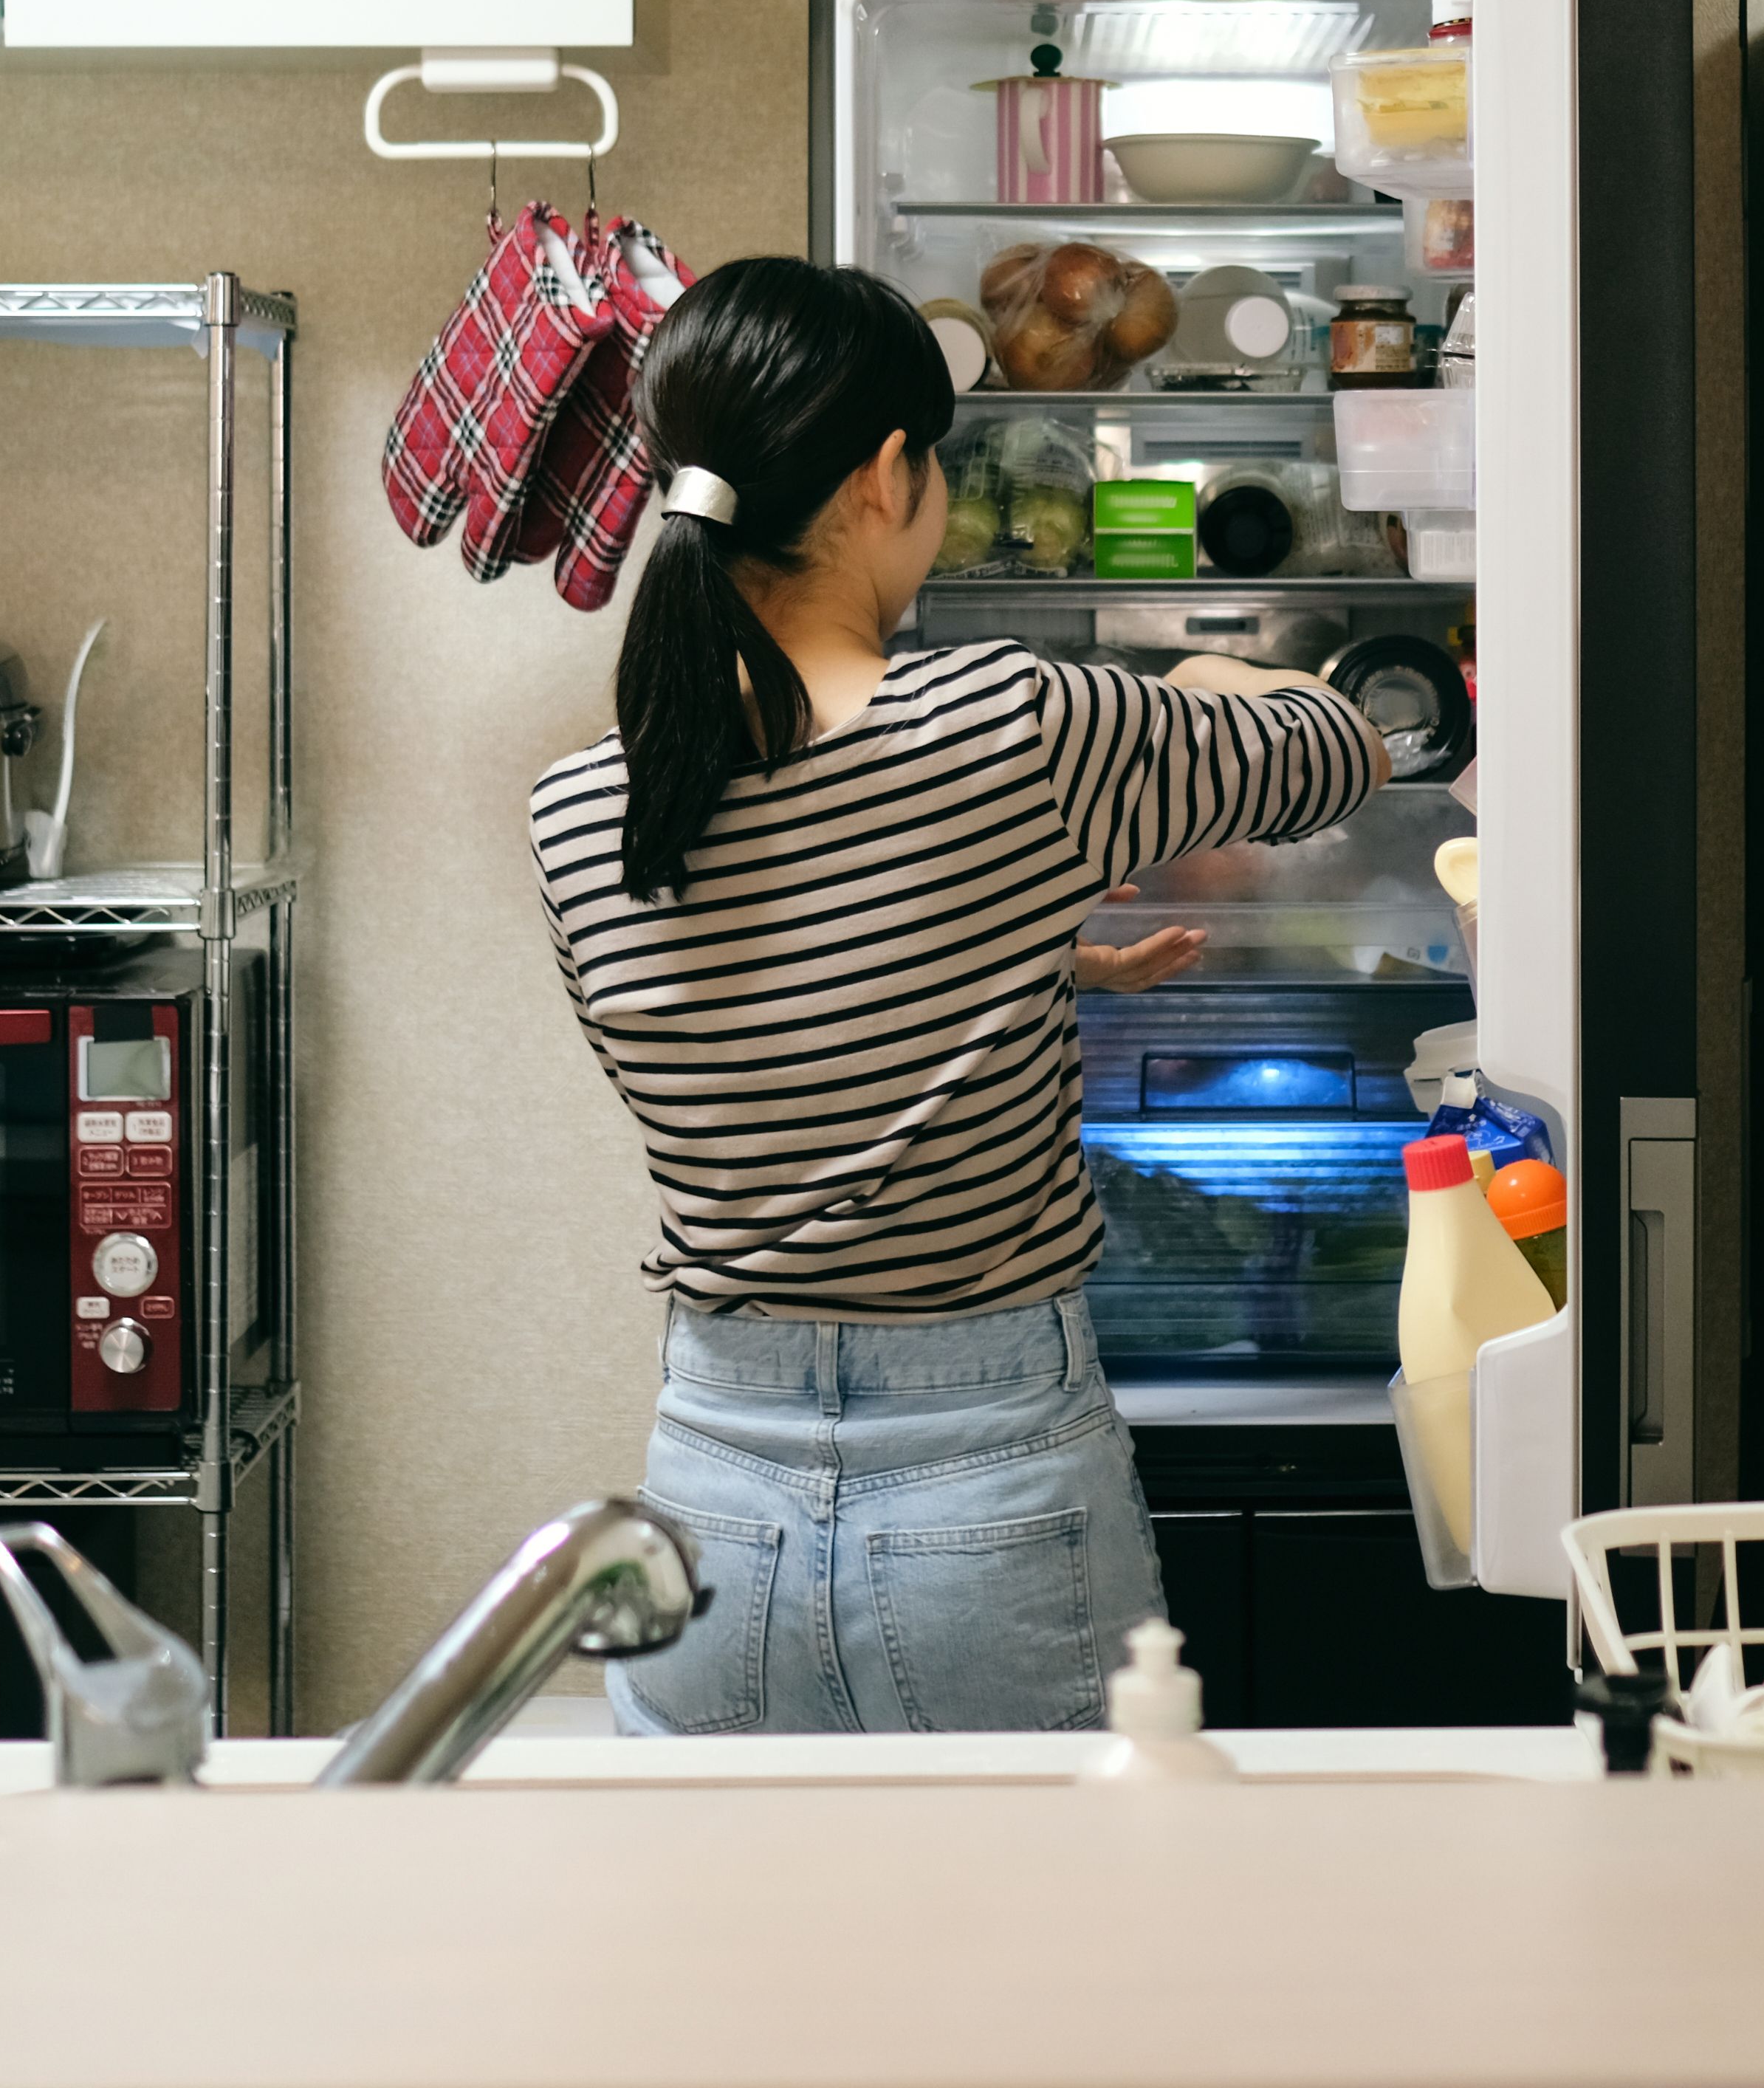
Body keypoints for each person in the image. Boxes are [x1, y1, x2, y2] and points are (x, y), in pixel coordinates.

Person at [532, 255, 1383, 1734]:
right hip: (989, 1490)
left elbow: (768, 1013)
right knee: (1040, 1956)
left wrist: (1026, 954)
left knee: (726, 1958)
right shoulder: (1016, 723)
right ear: (884, 476)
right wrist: (1203, 680)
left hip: (707, 1505)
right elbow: (1337, 749)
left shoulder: (579, 809)